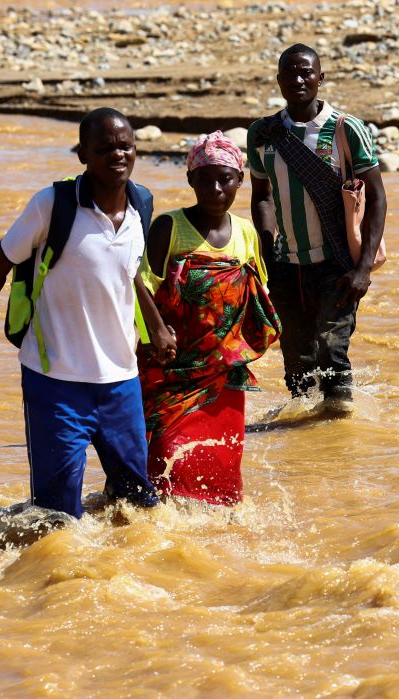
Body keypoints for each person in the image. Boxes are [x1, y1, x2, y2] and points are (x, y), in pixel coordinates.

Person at [0, 107, 173, 519]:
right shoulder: (53, 205)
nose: (118, 155)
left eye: (126, 146)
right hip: (54, 382)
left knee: (139, 505)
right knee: (55, 517)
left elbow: (129, 274)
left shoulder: (140, 205)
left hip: (121, 381)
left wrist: (158, 328)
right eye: (105, 148)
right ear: (83, 155)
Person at [137, 132, 281, 506]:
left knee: (219, 467)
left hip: (223, 375)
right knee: (166, 456)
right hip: (170, 369)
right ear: (190, 180)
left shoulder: (247, 233)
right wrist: (150, 339)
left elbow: (257, 295)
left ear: (240, 181)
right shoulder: (169, 227)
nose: (215, 187)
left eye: (225, 178)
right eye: (205, 178)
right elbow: (139, 290)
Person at [248, 43, 387, 416]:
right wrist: (266, 253)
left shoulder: (345, 129)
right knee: (296, 357)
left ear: (320, 79)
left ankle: (339, 425)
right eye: (290, 73)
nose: (298, 79)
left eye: (306, 72)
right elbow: (260, 196)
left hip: (337, 264)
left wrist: (362, 269)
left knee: (331, 347)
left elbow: (377, 198)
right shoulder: (262, 134)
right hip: (286, 267)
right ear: (278, 81)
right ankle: (304, 433)